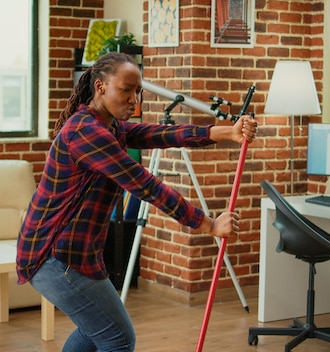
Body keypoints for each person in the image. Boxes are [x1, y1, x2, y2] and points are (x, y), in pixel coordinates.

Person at [16, 52, 257, 352]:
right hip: (55, 257)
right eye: (126, 90)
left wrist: (224, 132)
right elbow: (144, 184)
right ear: (101, 87)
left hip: (73, 255)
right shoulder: (86, 132)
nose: (135, 100)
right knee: (117, 339)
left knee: (97, 333)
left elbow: (160, 134)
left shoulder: (108, 126)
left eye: (138, 91)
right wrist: (208, 224)